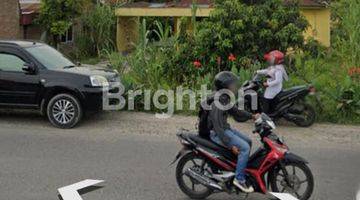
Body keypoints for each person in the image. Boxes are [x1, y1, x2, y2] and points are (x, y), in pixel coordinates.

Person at [202, 71, 259, 193]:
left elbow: (236, 112)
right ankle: (239, 179)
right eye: (232, 84)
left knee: (248, 141)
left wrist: (252, 116)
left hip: (224, 129)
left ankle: (238, 168)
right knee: (244, 148)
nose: (235, 86)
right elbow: (218, 128)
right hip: (217, 133)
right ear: (225, 86)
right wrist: (230, 145)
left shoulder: (224, 98)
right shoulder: (218, 102)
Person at [256, 50, 288, 114]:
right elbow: (267, 71)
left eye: (272, 58)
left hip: (275, 88)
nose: (270, 59)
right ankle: (269, 112)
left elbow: (278, 81)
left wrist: (268, 84)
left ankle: (265, 115)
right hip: (272, 87)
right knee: (265, 95)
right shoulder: (274, 67)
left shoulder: (279, 69)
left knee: (266, 98)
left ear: (277, 60)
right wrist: (257, 72)